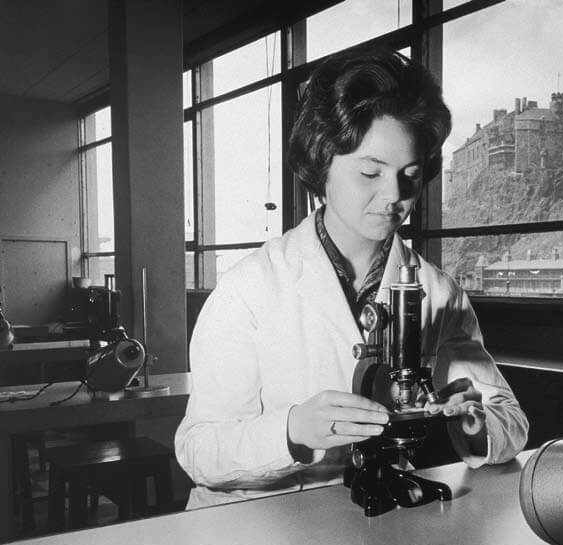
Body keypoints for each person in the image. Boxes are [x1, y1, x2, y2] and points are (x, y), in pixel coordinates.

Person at [175, 48, 529, 509]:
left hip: (375, 517)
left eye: (411, 175)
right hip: (253, 523)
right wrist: (292, 430)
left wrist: (474, 424)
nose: (394, 195)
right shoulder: (249, 288)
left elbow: (512, 422)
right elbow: (198, 451)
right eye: (369, 172)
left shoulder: (438, 290)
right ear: (321, 165)